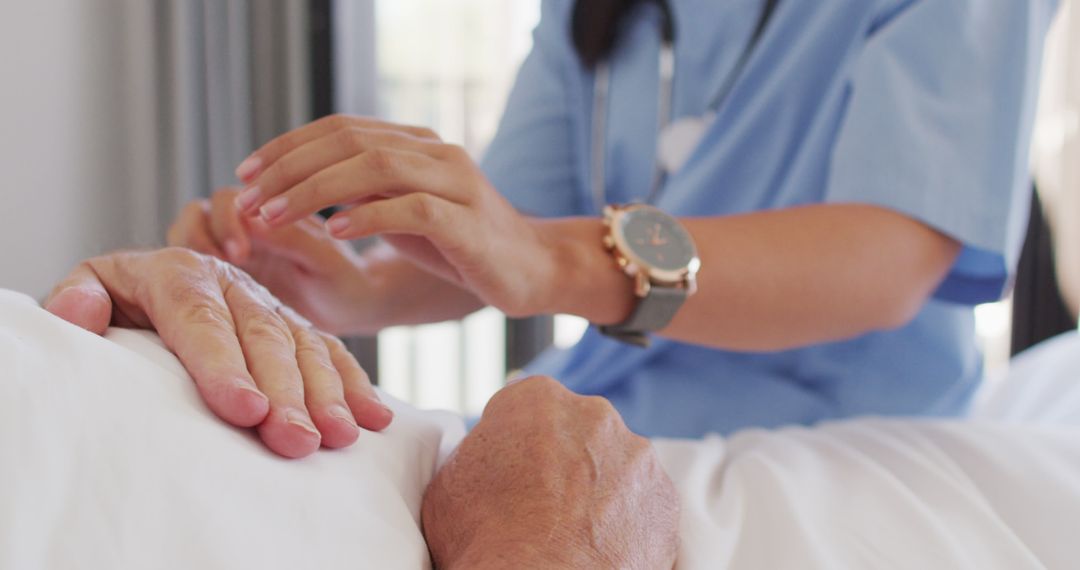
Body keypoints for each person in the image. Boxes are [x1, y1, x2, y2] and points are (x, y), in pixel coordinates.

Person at [168, 0, 1059, 439]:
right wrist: (348, 288)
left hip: (843, 446)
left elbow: (885, 261)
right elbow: (499, 235)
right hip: (592, 419)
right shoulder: (590, 13)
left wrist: (554, 263)